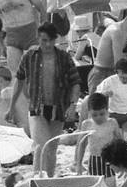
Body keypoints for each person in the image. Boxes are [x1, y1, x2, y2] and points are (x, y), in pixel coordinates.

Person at [7, 22, 80, 176]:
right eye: (43, 40)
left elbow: (75, 83)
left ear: (55, 39)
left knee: (51, 148)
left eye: (50, 40)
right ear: (38, 39)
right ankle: (38, 179)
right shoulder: (29, 57)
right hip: (36, 108)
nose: (47, 44)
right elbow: (19, 81)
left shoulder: (64, 58)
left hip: (58, 108)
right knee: (42, 146)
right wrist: (11, 107)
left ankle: (48, 180)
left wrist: (73, 105)